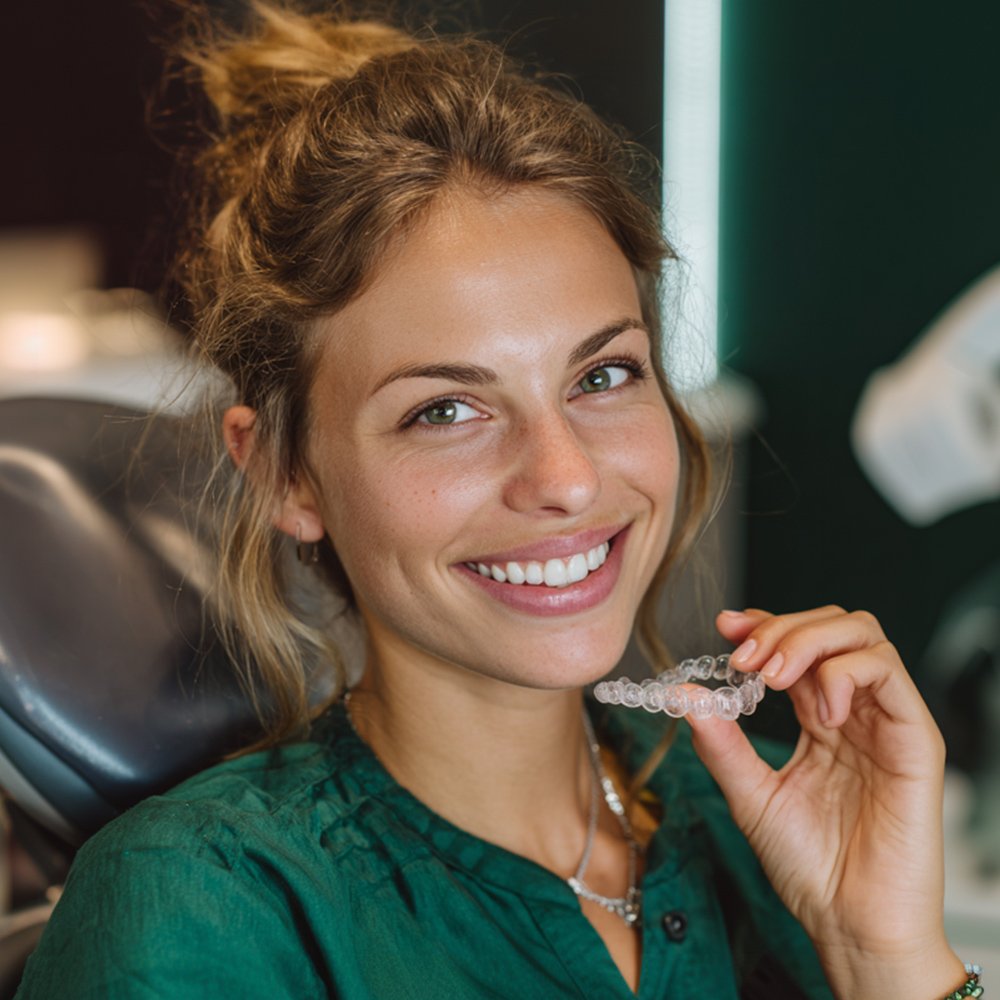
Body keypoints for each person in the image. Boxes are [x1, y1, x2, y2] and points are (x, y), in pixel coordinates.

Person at [15, 4, 974, 998]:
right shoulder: (196, 913)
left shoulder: (782, 811)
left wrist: (885, 958)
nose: (564, 477)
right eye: (445, 409)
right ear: (283, 474)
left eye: (602, 376)